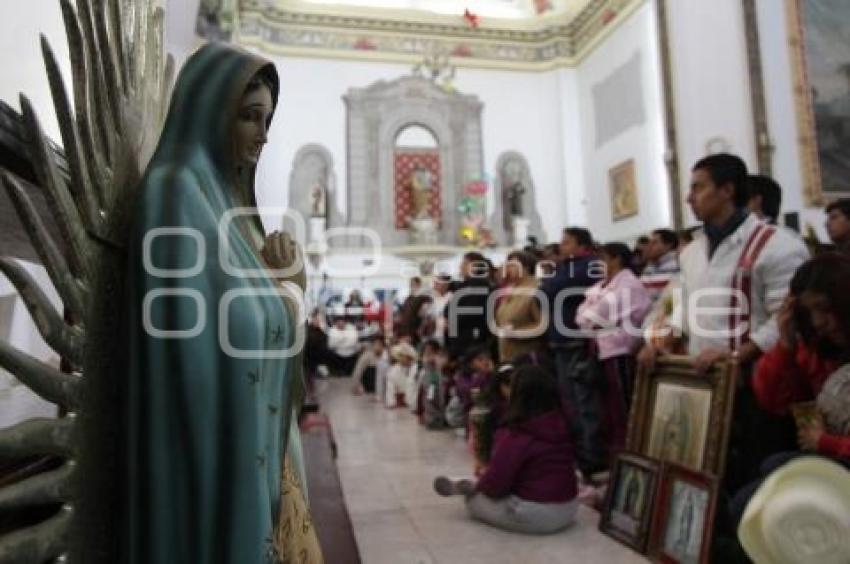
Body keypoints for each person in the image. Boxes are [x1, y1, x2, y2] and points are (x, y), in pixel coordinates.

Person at [126, 44, 321, 562]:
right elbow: (226, 327)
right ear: (211, 111)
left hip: (255, 431)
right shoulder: (175, 193)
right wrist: (291, 287)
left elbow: (244, 303)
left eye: (268, 119)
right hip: (214, 439)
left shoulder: (226, 200)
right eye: (249, 117)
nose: (263, 133)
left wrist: (281, 286)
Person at [639, 153, 809, 491]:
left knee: (754, 472)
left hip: (756, 385)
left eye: (698, 187)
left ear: (727, 190)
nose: (689, 197)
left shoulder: (776, 245)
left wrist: (738, 355)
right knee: (706, 472)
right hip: (703, 381)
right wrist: (659, 340)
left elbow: (786, 318)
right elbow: (677, 305)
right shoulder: (692, 252)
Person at [727, 254, 850, 547]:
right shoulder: (818, 347)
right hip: (832, 459)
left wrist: (825, 443)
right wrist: (785, 344)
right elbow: (772, 400)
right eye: (809, 313)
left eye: (826, 309)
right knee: (762, 481)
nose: (819, 322)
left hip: (836, 456)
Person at [432, 365, 578, 535]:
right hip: (569, 509)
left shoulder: (517, 434)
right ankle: (473, 484)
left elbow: (496, 485)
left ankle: (471, 486)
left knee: (473, 501)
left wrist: (486, 488)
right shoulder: (565, 424)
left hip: (537, 516)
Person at [540, 227, 607, 476]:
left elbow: (553, 289)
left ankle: (592, 457)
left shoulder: (588, 266)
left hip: (576, 340)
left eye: (566, 243)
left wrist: (551, 282)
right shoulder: (565, 266)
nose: (561, 247)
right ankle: (579, 454)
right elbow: (544, 294)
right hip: (560, 340)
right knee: (569, 401)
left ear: (582, 245)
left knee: (584, 402)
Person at [576, 242, 651, 452]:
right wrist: (594, 319)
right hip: (602, 349)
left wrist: (595, 319)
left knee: (623, 406)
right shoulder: (603, 285)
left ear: (616, 259)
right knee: (607, 407)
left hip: (621, 350)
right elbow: (581, 317)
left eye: (603, 259)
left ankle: (630, 450)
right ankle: (615, 452)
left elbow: (599, 315)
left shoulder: (628, 284)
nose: (599, 264)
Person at [495, 250, 545, 363]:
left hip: (527, 354)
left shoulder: (536, 290)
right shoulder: (509, 289)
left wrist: (516, 332)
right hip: (506, 352)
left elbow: (542, 324)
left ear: (526, 268)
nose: (507, 269)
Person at [445, 252, 494, 361]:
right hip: (460, 338)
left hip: (470, 340)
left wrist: (452, 320)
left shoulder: (480, 285)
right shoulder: (464, 285)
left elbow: (471, 312)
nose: (461, 266)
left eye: (465, 263)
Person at [640, 229, 680, 303]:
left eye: (654, 243)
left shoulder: (677, 267)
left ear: (668, 245)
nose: (649, 247)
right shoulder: (648, 269)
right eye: (649, 243)